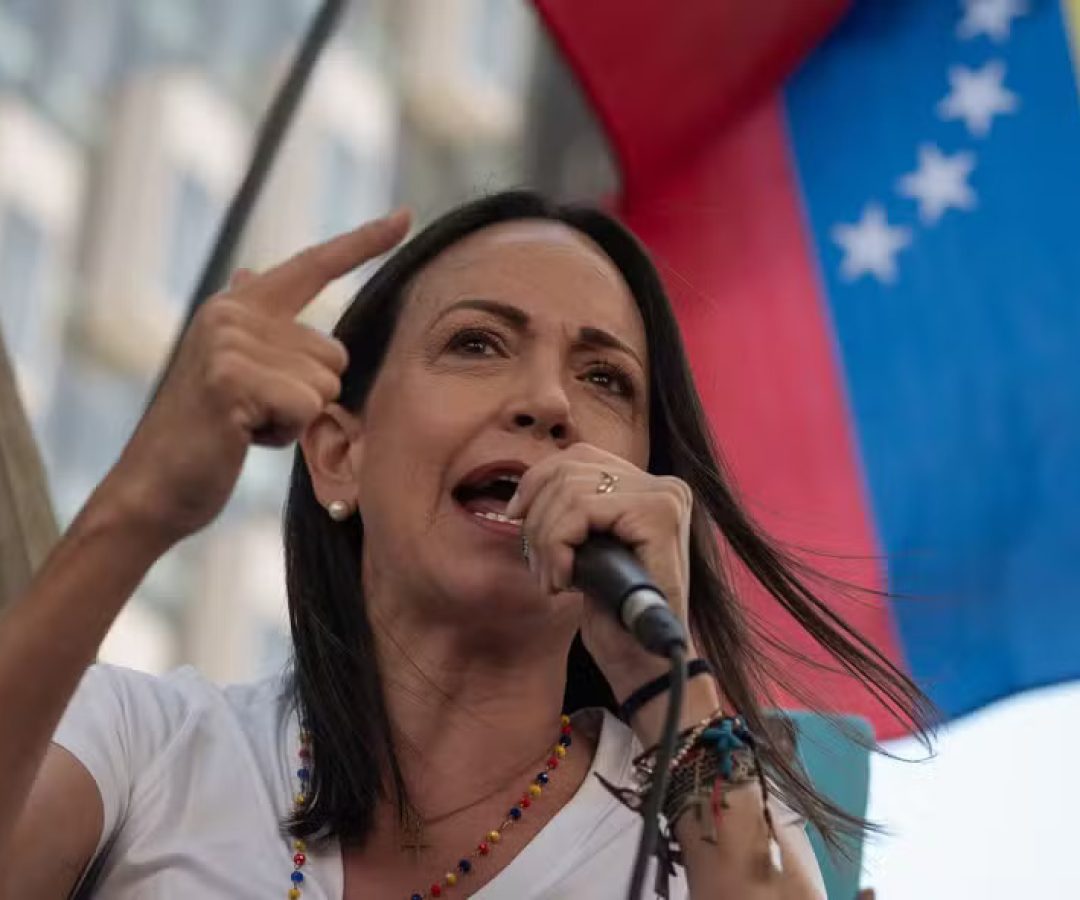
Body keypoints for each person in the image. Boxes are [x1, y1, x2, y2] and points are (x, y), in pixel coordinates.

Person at [0, 191, 932, 898]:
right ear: (337, 456)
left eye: (605, 377)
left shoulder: (700, 839)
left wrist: (667, 680)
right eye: (478, 344)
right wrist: (143, 503)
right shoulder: (147, 745)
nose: (549, 403)